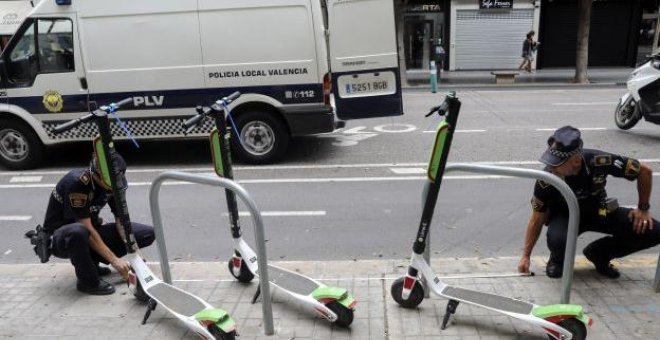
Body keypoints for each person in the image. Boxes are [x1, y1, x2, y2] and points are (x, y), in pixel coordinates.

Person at [517, 126, 660, 279]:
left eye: (557, 163)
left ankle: (600, 254)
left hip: (598, 210)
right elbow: (536, 219)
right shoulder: (547, 178)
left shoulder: (598, 161)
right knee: (557, 240)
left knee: (654, 231)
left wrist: (642, 208)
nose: (551, 167)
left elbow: (644, 171)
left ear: (575, 160)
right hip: (565, 215)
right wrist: (526, 256)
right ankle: (558, 260)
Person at [43, 152, 155, 295]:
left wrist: (139, 261)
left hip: (89, 231)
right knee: (79, 231)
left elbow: (121, 222)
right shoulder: (77, 183)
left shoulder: (116, 181)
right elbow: (85, 226)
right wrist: (115, 261)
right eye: (109, 183)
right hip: (62, 238)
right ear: (96, 175)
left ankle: (91, 263)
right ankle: (88, 282)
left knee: (146, 233)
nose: (111, 188)